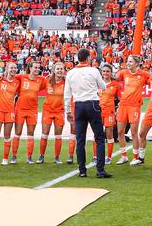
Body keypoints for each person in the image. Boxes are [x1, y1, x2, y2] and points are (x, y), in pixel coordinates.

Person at [64, 48, 111, 179]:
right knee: (99, 137)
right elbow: (103, 86)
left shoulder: (71, 73)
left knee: (80, 139)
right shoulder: (93, 70)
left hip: (78, 105)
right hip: (92, 103)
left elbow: (67, 94)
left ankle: (82, 170)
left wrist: (67, 110)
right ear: (88, 58)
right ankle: (100, 170)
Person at [115, 54, 150, 165]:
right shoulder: (123, 73)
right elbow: (113, 78)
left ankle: (136, 157)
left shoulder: (144, 74)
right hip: (123, 105)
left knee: (134, 133)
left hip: (134, 106)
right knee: (120, 132)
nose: (128, 63)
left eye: (130, 62)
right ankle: (124, 156)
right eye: (127, 61)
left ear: (137, 63)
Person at [12, 60, 47, 164]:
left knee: (30, 133)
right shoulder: (22, 77)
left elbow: (51, 82)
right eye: (35, 67)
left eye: (38, 68)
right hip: (20, 109)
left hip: (32, 110)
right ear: (30, 68)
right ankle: (14, 156)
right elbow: (11, 76)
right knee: (17, 133)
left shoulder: (41, 79)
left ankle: (29, 157)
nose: (37, 69)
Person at [0, 62, 19, 165]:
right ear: (7, 69)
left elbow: (20, 92)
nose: (13, 69)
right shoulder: (1, 79)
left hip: (10, 111)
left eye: (15, 68)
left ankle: (5, 159)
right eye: (11, 68)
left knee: (7, 135)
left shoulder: (17, 82)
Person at [39, 61, 67, 164]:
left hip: (59, 111)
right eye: (58, 69)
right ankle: (41, 156)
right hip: (48, 111)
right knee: (44, 134)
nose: (60, 71)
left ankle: (57, 157)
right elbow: (36, 87)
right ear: (54, 70)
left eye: (61, 69)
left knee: (58, 135)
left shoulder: (66, 82)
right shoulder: (47, 81)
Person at [98, 65, 121, 165]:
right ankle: (96, 156)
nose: (105, 73)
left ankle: (109, 157)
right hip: (97, 112)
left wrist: (119, 108)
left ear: (111, 73)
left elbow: (120, 98)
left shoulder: (115, 84)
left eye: (108, 71)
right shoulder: (97, 83)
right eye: (104, 71)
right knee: (97, 134)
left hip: (110, 112)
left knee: (109, 134)